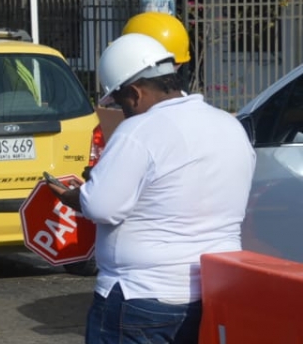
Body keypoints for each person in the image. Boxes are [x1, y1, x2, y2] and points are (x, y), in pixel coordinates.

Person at [48, 33, 255, 344]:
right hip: (212, 294)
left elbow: (103, 207)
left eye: (119, 103)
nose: (122, 111)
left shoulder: (139, 130)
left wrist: (78, 197)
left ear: (135, 92)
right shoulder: (229, 125)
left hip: (140, 297)